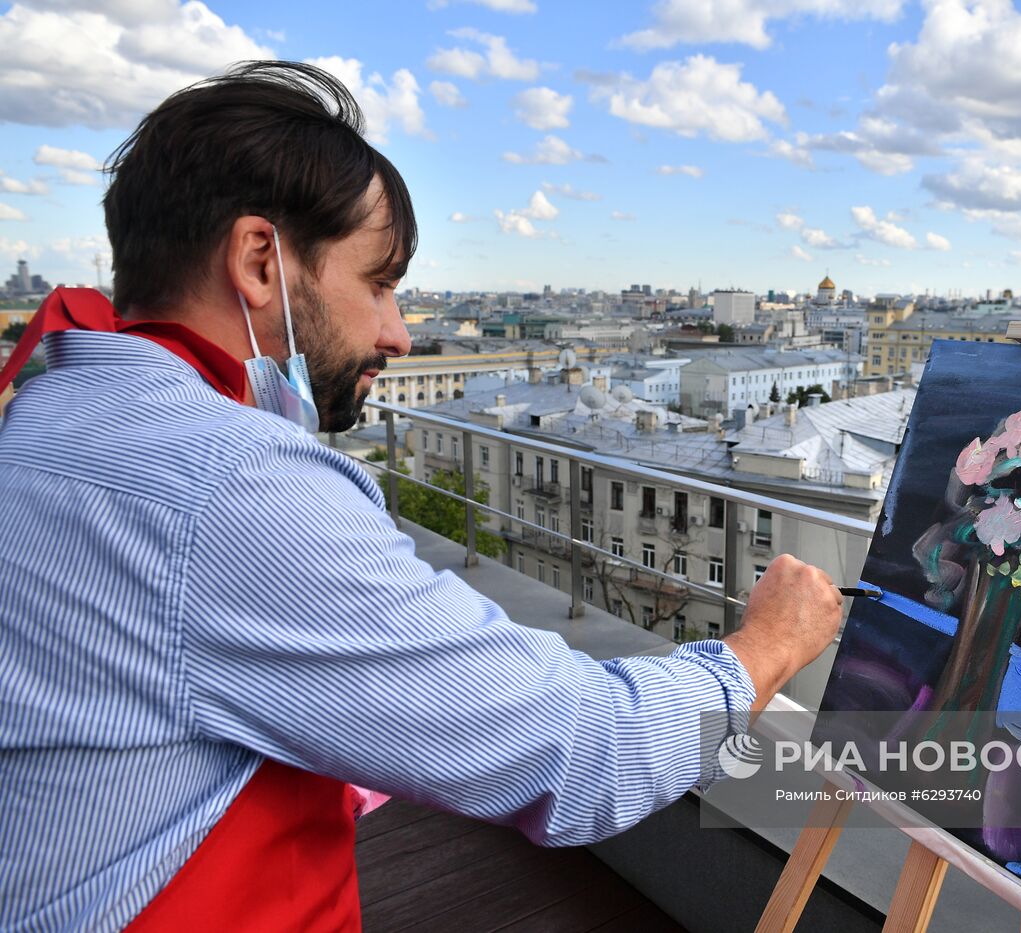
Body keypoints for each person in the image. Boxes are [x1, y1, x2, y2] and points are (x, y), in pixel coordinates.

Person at [0, 61, 843, 931]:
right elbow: (587, 754)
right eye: (379, 282)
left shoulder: (54, 412)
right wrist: (765, 647)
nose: (398, 333)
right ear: (259, 261)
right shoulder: (228, 485)